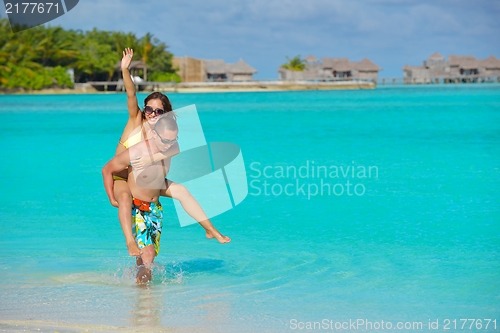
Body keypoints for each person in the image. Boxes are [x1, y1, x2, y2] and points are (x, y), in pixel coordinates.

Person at [112, 48, 230, 258]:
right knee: (123, 197)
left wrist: (152, 157)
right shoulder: (136, 119)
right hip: (122, 175)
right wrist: (124, 70)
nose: (152, 114)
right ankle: (129, 241)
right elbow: (131, 93)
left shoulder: (163, 131)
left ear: (165, 113)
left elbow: (175, 147)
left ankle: (210, 229)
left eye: (158, 111)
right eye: (149, 109)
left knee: (182, 191)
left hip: (147, 179)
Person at [103, 115, 179, 283]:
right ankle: (147, 303)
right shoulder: (137, 151)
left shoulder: (169, 146)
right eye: (166, 141)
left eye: (172, 141)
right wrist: (111, 197)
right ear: (154, 135)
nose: (169, 145)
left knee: (145, 259)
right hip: (138, 206)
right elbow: (107, 169)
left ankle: (139, 297)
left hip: (155, 209)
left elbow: (177, 147)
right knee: (149, 254)